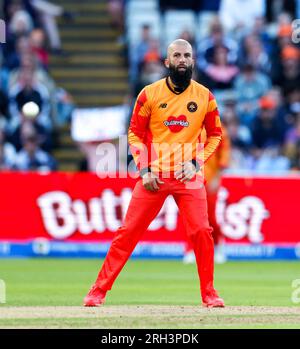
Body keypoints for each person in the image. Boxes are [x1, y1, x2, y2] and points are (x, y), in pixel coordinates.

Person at [83, 39, 225, 308]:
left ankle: (209, 293)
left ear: (192, 61)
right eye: (177, 56)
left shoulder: (205, 96)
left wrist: (196, 164)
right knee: (128, 233)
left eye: (187, 55)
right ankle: (97, 292)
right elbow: (134, 134)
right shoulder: (149, 94)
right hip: (154, 177)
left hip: (188, 177)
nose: (182, 60)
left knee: (202, 232)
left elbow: (215, 136)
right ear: (167, 62)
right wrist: (145, 169)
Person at [183, 125, 231, 264]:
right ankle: (191, 249)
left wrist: (218, 176)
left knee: (210, 216)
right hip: (190, 178)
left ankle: (218, 246)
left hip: (210, 179)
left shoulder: (219, 128)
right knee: (189, 216)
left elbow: (225, 152)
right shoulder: (188, 125)